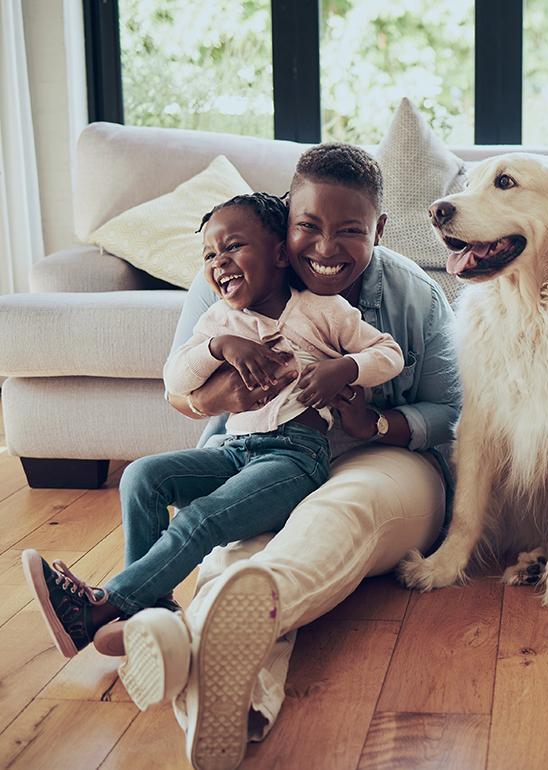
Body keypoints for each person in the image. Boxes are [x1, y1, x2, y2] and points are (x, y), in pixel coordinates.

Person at [96, 145, 457, 770]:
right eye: (308, 227)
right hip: (260, 451)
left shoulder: (413, 294)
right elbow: (179, 391)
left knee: (334, 514)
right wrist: (219, 392)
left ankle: (190, 638)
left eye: (350, 231)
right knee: (232, 541)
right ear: (285, 222)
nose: (326, 249)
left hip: (383, 456)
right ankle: (215, 685)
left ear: (379, 230)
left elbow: (448, 410)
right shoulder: (232, 280)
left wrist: (370, 418)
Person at [20, 189, 405, 666]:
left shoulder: (321, 310)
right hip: (233, 449)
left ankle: (104, 605)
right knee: (142, 477)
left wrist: (343, 369)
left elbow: (389, 354)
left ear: (281, 254)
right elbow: (176, 379)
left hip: (295, 458)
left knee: (200, 518)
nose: (219, 261)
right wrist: (220, 346)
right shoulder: (218, 320)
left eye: (233, 246)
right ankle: (149, 610)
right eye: (209, 253)